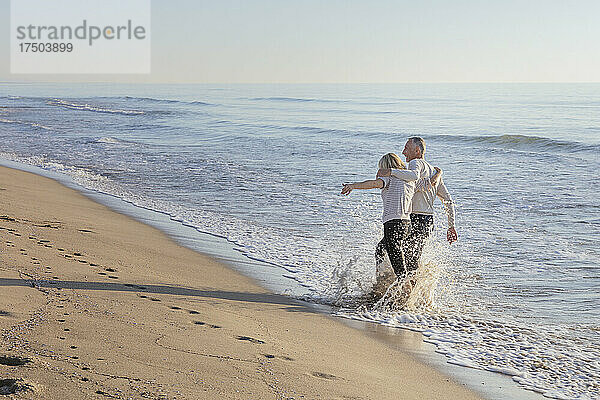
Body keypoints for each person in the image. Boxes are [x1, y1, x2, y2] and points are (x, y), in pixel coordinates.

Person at [341, 153, 442, 279]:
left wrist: (353, 186)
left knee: (400, 271)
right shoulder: (411, 181)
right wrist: (439, 173)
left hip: (393, 224)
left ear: (385, 167)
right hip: (406, 225)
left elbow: (373, 184)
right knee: (381, 249)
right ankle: (388, 281)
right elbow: (430, 183)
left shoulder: (389, 178)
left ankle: (398, 286)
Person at [377, 137, 456, 274]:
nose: (403, 152)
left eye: (406, 148)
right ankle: (410, 289)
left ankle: (393, 287)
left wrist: (391, 172)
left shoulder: (415, 163)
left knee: (386, 251)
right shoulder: (433, 171)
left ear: (417, 150)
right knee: (409, 260)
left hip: (414, 219)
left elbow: (414, 177)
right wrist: (451, 226)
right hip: (427, 222)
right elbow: (448, 200)